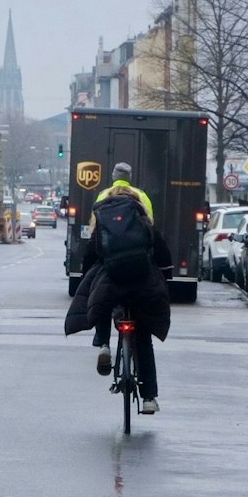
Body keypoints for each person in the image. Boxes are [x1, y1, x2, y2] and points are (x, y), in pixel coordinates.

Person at [65, 176, 171, 414]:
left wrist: (88, 274)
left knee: (100, 299)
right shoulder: (141, 218)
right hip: (141, 280)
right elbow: (162, 250)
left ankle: (103, 344)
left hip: (112, 278)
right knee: (143, 337)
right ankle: (149, 398)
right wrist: (166, 274)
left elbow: (91, 254)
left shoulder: (103, 219)